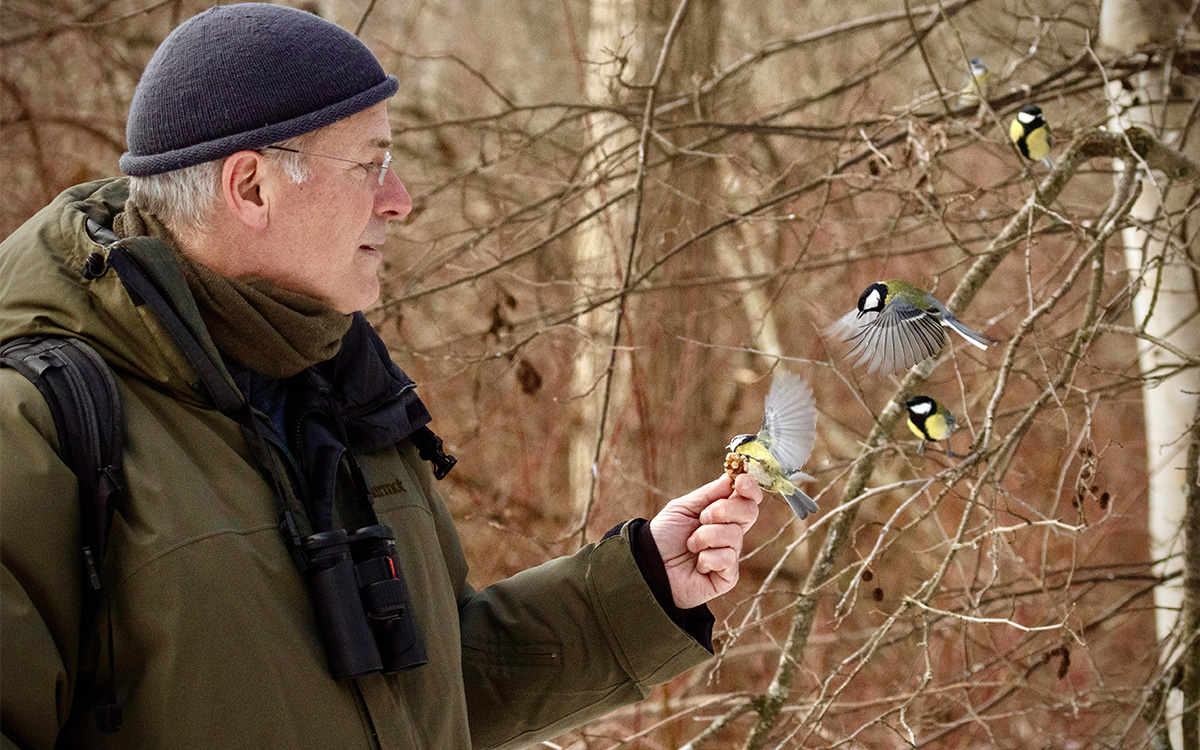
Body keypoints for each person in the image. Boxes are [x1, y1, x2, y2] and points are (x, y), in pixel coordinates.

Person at [0, 4, 765, 749]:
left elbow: (418, 695)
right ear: (251, 188)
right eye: (370, 165)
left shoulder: (344, 390)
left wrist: (636, 593)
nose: (399, 201)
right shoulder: (37, 430)